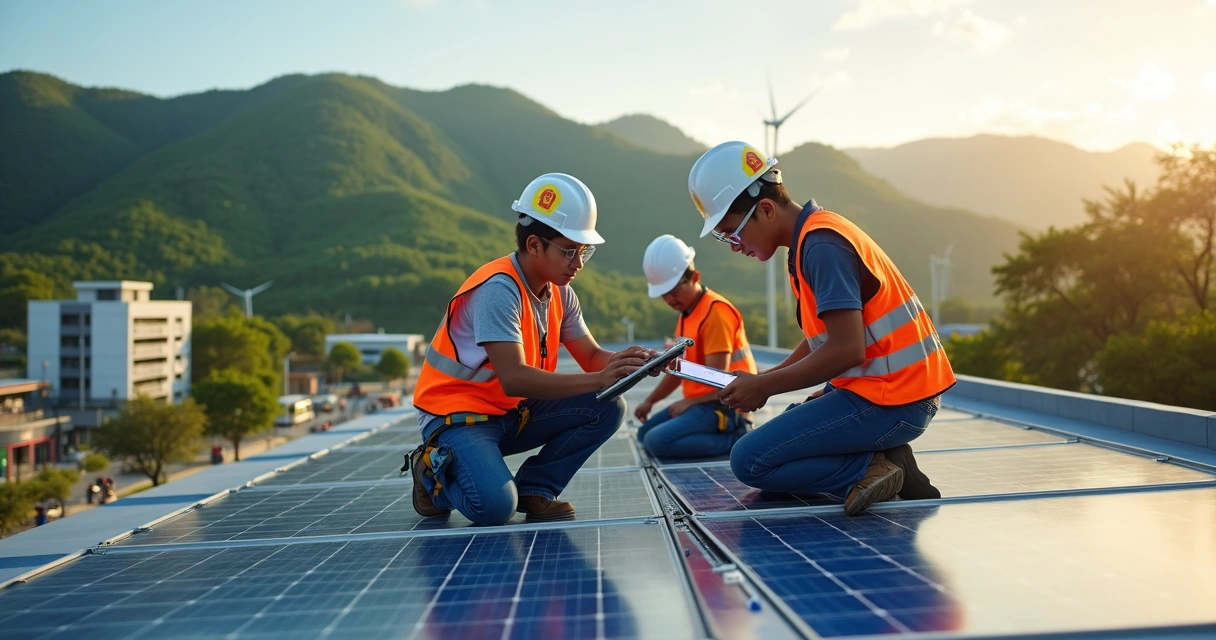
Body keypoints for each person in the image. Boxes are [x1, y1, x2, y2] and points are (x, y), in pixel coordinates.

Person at [689, 141, 956, 516]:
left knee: (750, 460)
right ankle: (880, 457)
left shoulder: (821, 246)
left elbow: (847, 350)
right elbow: (822, 339)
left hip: (897, 399)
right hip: (883, 392)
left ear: (765, 209)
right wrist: (764, 379)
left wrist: (764, 385)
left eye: (732, 232)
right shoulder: (807, 242)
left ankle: (879, 467)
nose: (734, 246)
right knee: (778, 440)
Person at [409, 173, 655, 526]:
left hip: (511, 413)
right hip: (457, 417)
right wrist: (602, 376)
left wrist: (632, 363)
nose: (579, 263)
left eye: (584, 251)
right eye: (569, 251)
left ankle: (537, 489)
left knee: (608, 405)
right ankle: (431, 472)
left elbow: (591, 357)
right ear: (535, 245)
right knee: (493, 507)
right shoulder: (498, 290)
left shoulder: (560, 292)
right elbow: (514, 379)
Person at [634, 235, 757, 459]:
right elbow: (679, 370)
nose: (669, 299)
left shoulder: (715, 313)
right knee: (644, 434)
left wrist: (689, 402)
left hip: (726, 407)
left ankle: (737, 439)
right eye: (664, 294)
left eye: (674, 291)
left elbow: (720, 381)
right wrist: (650, 401)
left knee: (656, 441)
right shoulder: (686, 316)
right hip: (702, 405)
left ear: (695, 277)